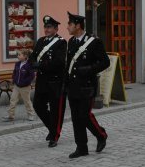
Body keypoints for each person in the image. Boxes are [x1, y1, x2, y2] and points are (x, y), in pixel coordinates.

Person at [65, 12, 109, 159]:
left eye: (70, 24)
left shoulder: (94, 42)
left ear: (78, 26)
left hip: (87, 85)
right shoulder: (71, 42)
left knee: (84, 116)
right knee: (76, 118)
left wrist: (90, 69)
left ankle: (101, 135)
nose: (67, 27)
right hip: (73, 86)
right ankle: (81, 147)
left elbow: (105, 62)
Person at [29, 15, 67, 148]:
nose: (46, 29)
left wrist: (39, 65)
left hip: (55, 81)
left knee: (56, 109)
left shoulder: (61, 42)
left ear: (56, 29)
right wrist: (34, 63)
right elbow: (32, 57)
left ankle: (54, 136)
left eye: (49, 27)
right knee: (38, 106)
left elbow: (58, 62)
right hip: (42, 81)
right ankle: (52, 128)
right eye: (45, 27)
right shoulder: (40, 41)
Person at [4, 49, 36, 122]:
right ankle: (10, 115)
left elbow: (32, 76)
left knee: (27, 101)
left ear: (25, 56)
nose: (18, 56)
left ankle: (31, 115)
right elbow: (14, 72)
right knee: (13, 100)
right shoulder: (17, 64)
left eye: (19, 55)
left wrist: (25, 82)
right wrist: (13, 80)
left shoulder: (29, 65)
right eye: (18, 55)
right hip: (16, 86)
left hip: (25, 87)